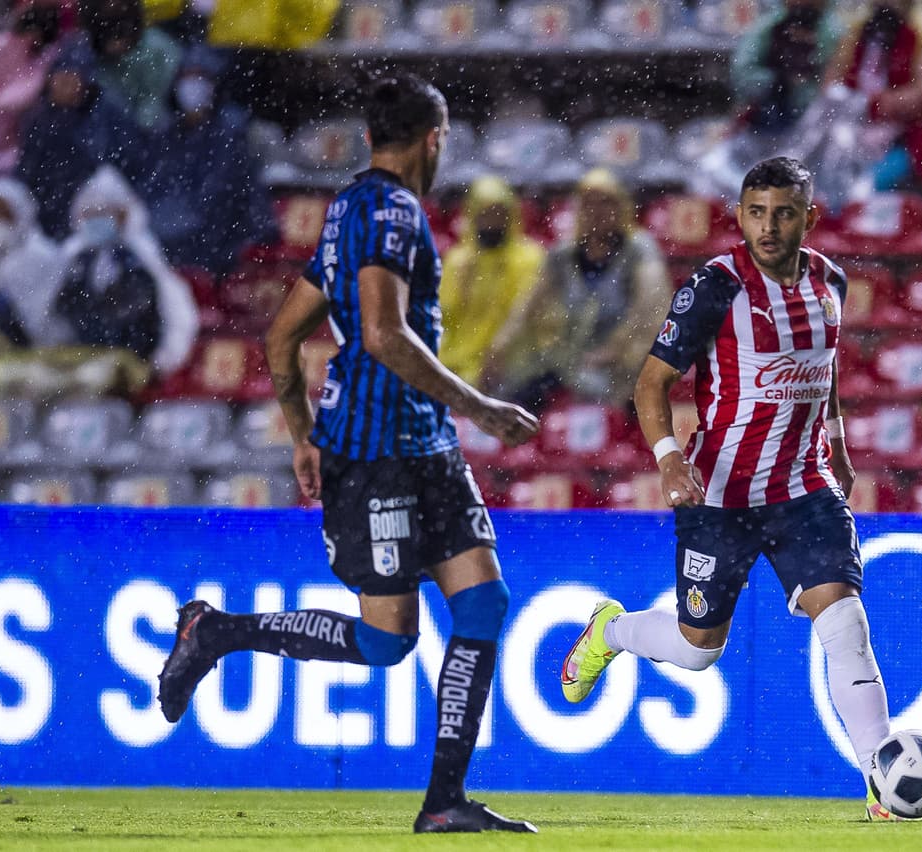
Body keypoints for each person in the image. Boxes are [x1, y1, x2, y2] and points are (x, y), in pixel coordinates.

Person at [156, 74, 541, 835]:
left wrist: (301, 433)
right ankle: (216, 633)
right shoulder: (393, 213)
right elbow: (383, 334)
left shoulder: (346, 211)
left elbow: (280, 336)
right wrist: (484, 409)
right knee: (386, 641)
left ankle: (443, 803)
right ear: (435, 138)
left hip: (420, 446)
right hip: (376, 458)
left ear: (370, 138)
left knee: (485, 603)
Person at [561, 157, 911, 822]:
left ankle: (879, 772)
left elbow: (824, 370)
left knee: (843, 618)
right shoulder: (715, 287)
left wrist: (835, 440)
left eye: (783, 213)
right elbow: (650, 383)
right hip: (719, 492)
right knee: (699, 651)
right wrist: (668, 459)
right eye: (756, 212)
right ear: (740, 215)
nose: (768, 226)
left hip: (804, 486)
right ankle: (615, 631)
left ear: (810, 216)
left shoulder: (830, 281)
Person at [483, 168, 668, 410]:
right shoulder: (563, 255)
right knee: (512, 392)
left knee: (598, 393)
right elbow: (527, 309)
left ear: (621, 207)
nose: (597, 212)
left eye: (606, 203)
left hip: (623, 363)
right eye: (589, 204)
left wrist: (612, 351)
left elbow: (651, 309)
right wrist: (500, 347)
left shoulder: (639, 250)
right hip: (572, 359)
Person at [139, 44, 275, 277]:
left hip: (214, 244)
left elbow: (224, 196)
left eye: (200, 77)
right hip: (169, 238)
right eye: (186, 77)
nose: (192, 86)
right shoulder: (165, 135)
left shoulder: (229, 135)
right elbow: (152, 188)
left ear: (213, 84)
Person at [54, 165, 197, 374]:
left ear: (124, 213)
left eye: (106, 212)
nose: (98, 219)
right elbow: (54, 315)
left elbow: (177, 310)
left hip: (136, 364)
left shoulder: (142, 253)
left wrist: (163, 362)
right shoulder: (73, 256)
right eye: (91, 213)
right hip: (82, 368)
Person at [823, 0, 922, 186]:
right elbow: (831, 84)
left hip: (912, 140)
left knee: (864, 185)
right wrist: (853, 106)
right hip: (854, 136)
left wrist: (874, 104)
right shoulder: (857, 35)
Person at [16, 35, 145, 239]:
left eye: (72, 75)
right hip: (45, 213)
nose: (65, 82)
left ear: (86, 80)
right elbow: (26, 170)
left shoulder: (110, 112)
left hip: (98, 211)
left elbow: (130, 164)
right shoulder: (38, 118)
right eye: (60, 75)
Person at [439, 175, 544, 386]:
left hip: (512, 362)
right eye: (485, 214)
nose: (492, 222)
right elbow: (445, 314)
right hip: (458, 360)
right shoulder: (458, 260)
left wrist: (497, 351)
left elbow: (523, 313)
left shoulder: (529, 257)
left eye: (498, 214)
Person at [0, 0, 63, 179]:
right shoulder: (1, 45)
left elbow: (27, 92)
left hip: (20, 144)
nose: (32, 39)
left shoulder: (49, 56)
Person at [0, 177, 68, 345]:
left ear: (21, 216)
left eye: (5, 215)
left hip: (41, 350)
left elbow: (44, 315)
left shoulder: (42, 256)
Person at [731, 0, 839, 132]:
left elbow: (834, 80)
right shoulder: (768, 27)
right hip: (768, 114)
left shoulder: (832, 31)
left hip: (816, 119)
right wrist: (777, 82)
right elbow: (742, 72)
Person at [79, 0, 181, 130]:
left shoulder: (156, 48)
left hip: (152, 108)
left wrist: (129, 39)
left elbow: (156, 92)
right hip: (110, 78)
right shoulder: (87, 52)